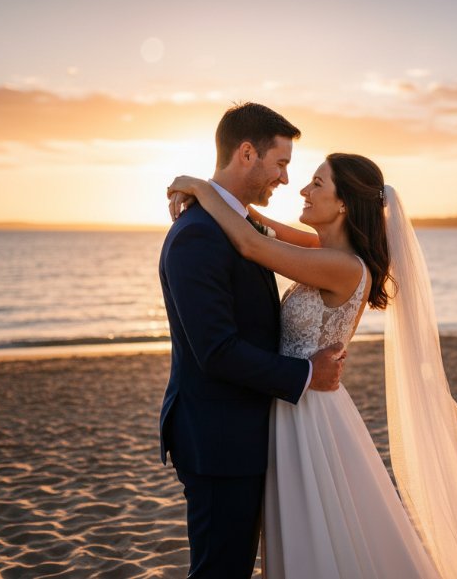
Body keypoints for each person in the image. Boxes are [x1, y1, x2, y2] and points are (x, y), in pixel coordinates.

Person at [167, 152, 457, 578]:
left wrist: (199, 187)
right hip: (297, 400)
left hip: (310, 412)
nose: (304, 190)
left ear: (344, 203)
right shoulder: (324, 251)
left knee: (319, 532)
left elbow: (252, 244)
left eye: (317, 183)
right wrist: (219, 196)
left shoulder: (343, 267)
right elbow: (257, 225)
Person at [157, 103, 347, 579]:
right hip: (219, 439)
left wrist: (200, 186)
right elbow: (216, 351)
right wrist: (307, 373)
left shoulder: (238, 227)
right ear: (247, 153)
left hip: (249, 433)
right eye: (280, 163)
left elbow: (260, 243)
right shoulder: (199, 235)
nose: (286, 179)